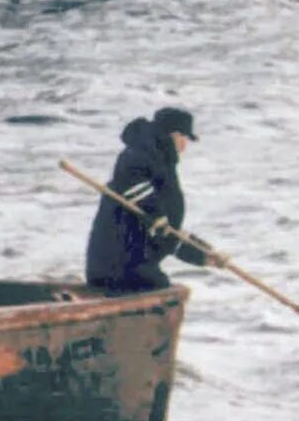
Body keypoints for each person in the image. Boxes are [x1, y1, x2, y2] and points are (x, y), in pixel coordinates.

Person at [85, 105, 223, 293]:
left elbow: (165, 232)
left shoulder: (159, 159)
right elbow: (135, 188)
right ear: (175, 135)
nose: (185, 146)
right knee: (160, 286)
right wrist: (155, 214)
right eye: (185, 138)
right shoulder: (139, 154)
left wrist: (203, 255)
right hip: (119, 267)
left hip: (136, 264)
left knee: (159, 283)